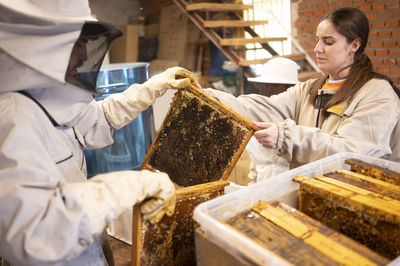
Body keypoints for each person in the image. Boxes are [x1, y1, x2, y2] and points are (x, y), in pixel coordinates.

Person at [0, 0, 197, 265]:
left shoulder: (45, 94)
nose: (84, 55)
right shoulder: (11, 117)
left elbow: (97, 120)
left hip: (83, 242)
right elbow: (37, 231)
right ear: (44, 43)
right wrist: (132, 185)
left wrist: (151, 88)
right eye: (78, 42)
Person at [200, 7, 400, 171]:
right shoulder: (311, 89)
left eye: (328, 42)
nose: (317, 49)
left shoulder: (377, 94)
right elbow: (265, 107)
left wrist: (287, 137)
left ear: (354, 45)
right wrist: (206, 97)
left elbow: (352, 154)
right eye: (317, 40)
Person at [245, 57, 300, 183]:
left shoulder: (298, 116)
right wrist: (253, 180)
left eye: (275, 85)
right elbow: (255, 160)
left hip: (289, 183)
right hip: (260, 182)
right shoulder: (259, 111)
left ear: (291, 88)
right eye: (267, 85)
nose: (269, 89)